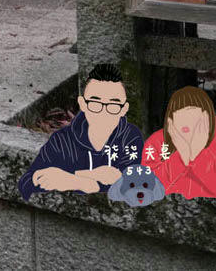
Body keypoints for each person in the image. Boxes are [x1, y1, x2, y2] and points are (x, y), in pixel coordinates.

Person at [19, 63, 144, 199]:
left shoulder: (130, 138)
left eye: (113, 105)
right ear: (83, 104)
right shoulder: (63, 140)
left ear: (124, 109)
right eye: (95, 104)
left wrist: (74, 178)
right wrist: (83, 180)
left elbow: (135, 186)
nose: (103, 112)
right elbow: (26, 184)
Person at [141, 86, 216, 201]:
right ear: (170, 120)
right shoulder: (157, 142)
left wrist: (200, 154)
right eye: (179, 114)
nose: (185, 121)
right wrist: (181, 156)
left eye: (192, 114)